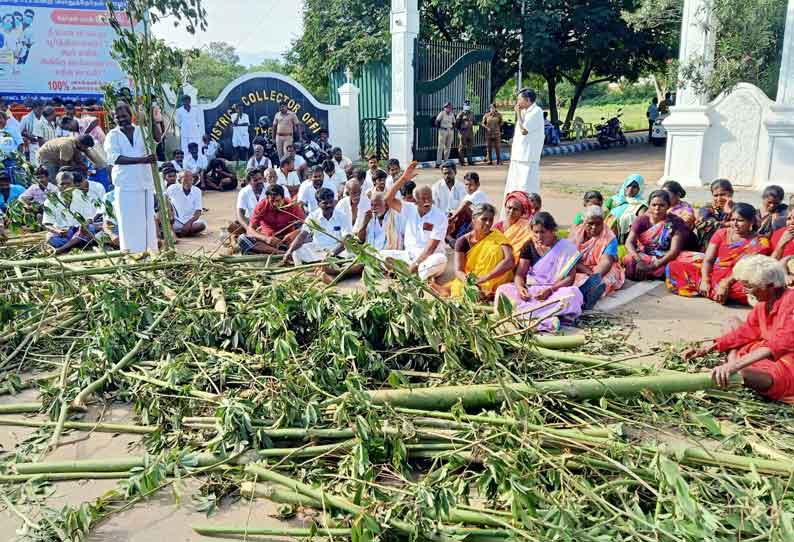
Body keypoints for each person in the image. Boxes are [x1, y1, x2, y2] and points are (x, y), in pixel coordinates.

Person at [682, 255, 794, 403]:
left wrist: (733, 366)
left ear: (770, 286)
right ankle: (734, 362)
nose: (746, 291)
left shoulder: (791, 301)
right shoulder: (763, 303)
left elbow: (780, 344)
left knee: (743, 372)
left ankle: (735, 367)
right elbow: (747, 331)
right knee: (731, 322)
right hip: (763, 349)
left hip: (786, 361)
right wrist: (709, 347)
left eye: (749, 286)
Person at [494, 212, 583, 333]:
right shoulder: (529, 246)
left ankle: (524, 316)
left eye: (543, 232)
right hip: (532, 292)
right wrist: (520, 288)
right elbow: (520, 274)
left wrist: (550, 290)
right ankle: (546, 318)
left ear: (553, 231)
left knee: (573, 294)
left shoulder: (566, 248)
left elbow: (570, 279)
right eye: (535, 232)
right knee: (502, 291)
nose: (539, 236)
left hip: (555, 292)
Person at [666, 203, 772, 305]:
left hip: (736, 279)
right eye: (732, 220)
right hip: (714, 275)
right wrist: (705, 280)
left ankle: (712, 292)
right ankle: (715, 292)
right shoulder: (722, 233)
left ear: (751, 221)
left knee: (756, 288)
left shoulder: (760, 242)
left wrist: (725, 284)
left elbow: (745, 269)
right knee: (673, 266)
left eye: (740, 220)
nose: (735, 224)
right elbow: (708, 260)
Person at [383, 161, 448, 282]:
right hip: (408, 255)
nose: (427, 201)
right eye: (423, 198)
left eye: (429, 197)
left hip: (429, 258)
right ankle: (412, 273)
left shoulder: (440, 216)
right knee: (378, 255)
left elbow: (430, 250)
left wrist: (413, 267)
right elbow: (387, 200)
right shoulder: (409, 209)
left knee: (439, 260)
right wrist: (403, 179)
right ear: (415, 201)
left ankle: (408, 272)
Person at [436, 203, 514, 299]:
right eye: (484, 219)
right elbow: (459, 270)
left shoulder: (497, 236)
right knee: (460, 290)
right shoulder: (462, 242)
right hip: (472, 280)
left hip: (496, 279)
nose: (488, 223)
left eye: (491, 220)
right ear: (473, 219)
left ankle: (489, 292)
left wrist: (485, 278)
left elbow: (510, 261)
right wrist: (471, 284)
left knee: (505, 292)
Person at [623, 190, 688, 281]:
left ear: (668, 206)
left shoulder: (675, 222)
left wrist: (654, 266)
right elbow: (629, 242)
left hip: (666, 256)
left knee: (696, 259)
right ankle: (659, 273)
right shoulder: (641, 220)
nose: (657, 208)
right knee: (629, 259)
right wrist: (639, 261)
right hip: (645, 255)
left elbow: (674, 251)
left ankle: (652, 272)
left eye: (662, 205)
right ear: (649, 205)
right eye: (654, 205)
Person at [569, 206, 625, 310]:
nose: (594, 227)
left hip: (600, 268)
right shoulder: (576, 233)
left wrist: (594, 277)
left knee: (607, 278)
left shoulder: (609, 237)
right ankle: (583, 293)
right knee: (571, 278)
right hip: (579, 266)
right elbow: (568, 257)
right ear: (584, 222)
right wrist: (586, 270)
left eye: (598, 224)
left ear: (603, 222)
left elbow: (606, 261)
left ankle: (590, 293)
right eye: (590, 224)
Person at [283, 187, 350, 265]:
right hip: (318, 249)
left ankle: (328, 263)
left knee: (351, 253)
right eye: (325, 203)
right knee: (296, 252)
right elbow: (302, 235)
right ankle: (325, 264)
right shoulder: (313, 216)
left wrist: (332, 254)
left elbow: (347, 239)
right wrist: (289, 251)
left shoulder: (342, 216)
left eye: (331, 202)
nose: (329, 205)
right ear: (318, 204)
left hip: (337, 249)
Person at [503, 89, 544, 210]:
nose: (518, 102)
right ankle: (513, 210)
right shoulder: (526, 111)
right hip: (518, 156)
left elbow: (524, 130)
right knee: (514, 186)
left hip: (528, 158)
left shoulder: (536, 111)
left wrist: (518, 113)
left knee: (526, 187)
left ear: (527, 100)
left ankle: (528, 211)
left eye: (519, 99)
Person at [238, 183, 305, 255]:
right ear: (267, 198)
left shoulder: (291, 205)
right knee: (242, 238)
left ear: (283, 198)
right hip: (268, 241)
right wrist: (265, 238)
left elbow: (307, 225)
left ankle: (282, 250)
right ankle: (278, 252)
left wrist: (294, 233)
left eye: (278, 201)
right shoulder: (262, 206)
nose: (275, 204)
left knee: (308, 236)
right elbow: (250, 230)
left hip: (288, 240)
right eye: (272, 201)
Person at [42, 170, 98, 254]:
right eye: (62, 184)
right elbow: (47, 224)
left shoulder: (82, 197)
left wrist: (85, 224)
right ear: (57, 185)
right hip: (63, 233)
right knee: (49, 238)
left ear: (73, 184)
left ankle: (62, 249)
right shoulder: (50, 201)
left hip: (79, 231)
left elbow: (89, 218)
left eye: (68, 184)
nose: (66, 186)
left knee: (90, 228)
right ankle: (74, 244)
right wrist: (58, 231)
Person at [37, 135, 103, 182]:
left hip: (57, 157)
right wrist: (78, 167)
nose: (86, 149)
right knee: (56, 179)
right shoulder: (67, 146)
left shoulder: (76, 143)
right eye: (86, 147)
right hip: (46, 158)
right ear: (81, 144)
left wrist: (96, 165)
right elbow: (64, 167)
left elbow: (79, 158)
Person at [447, 171, 490, 243]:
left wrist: (452, 217)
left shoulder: (478, 193)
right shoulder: (468, 196)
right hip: (471, 221)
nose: (468, 187)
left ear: (478, 184)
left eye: (471, 185)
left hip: (481, 223)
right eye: (466, 184)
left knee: (458, 240)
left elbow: (464, 205)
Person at [494, 191, 534, 262]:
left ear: (522, 212)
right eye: (509, 208)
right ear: (505, 207)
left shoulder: (526, 228)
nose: (511, 211)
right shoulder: (497, 227)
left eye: (515, 209)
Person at [605, 174, 647, 242]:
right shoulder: (613, 200)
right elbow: (604, 214)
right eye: (628, 185)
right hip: (607, 234)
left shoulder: (641, 205)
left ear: (639, 189)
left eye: (634, 187)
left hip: (626, 238)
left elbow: (642, 221)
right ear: (625, 185)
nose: (630, 189)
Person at [695, 178, 735, 249]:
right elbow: (703, 224)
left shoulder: (738, 208)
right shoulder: (706, 209)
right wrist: (728, 223)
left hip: (732, 247)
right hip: (707, 248)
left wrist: (730, 212)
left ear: (731, 193)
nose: (719, 199)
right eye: (715, 195)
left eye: (722, 194)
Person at [166, 170, 207, 237]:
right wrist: (170, 211)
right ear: (179, 181)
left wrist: (189, 223)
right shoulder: (172, 188)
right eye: (186, 180)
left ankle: (179, 233)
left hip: (191, 221)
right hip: (176, 221)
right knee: (164, 219)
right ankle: (182, 233)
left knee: (201, 225)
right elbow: (165, 199)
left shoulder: (197, 191)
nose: (188, 182)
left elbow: (198, 211)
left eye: (190, 180)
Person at [230, 168, 267, 235]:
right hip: (251, 223)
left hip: (268, 223)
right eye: (255, 180)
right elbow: (240, 215)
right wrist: (248, 229)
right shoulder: (244, 192)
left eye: (260, 178)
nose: (259, 181)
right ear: (249, 182)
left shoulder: (269, 188)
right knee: (234, 226)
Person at [0, 111, 23, 183]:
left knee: (13, 180)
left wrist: (19, 158)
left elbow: (20, 144)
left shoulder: (13, 130)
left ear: (5, 119)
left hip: (11, 160)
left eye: (0, 118)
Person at [20, 99, 43, 165]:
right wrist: (28, 135)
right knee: (35, 166)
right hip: (33, 145)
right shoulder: (26, 118)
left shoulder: (45, 117)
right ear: (34, 108)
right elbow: (19, 132)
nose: (40, 111)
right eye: (39, 109)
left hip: (45, 145)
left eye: (42, 109)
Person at [435, 102, 456, 167]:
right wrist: (439, 128)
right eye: (447, 107)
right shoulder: (442, 113)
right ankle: (438, 162)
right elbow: (437, 121)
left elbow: (454, 122)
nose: (448, 108)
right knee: (440, 147)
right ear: (444, 108)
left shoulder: (452, 114)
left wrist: (452, 128)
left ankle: (446, 162)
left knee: (448, 147)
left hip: (450, 131)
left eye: (449, 107)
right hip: (443, 130)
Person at [456, 99, 476, 166]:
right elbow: (457, 123)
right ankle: (462, 161)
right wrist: (460, 130)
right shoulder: (461, 113)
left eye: (468, 105)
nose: (467, 106)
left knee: (470, 147)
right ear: (463, 106)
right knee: (462, 147)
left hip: (470, 132)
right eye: (466, 105)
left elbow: (474, 121)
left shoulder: (472, 113)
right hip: (463, 132)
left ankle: (470, 161)